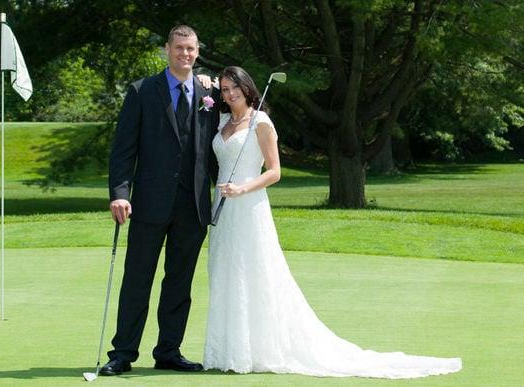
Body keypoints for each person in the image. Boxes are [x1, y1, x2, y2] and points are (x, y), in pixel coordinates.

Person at [203, 66, 462, 378]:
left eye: (235, 88)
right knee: (225, 273)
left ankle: (251, 352)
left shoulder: (261, 122)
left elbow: (275, 171)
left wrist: (243, 188)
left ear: (247, 89)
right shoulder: (220, 121)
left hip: (248, 205)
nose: (230, 94)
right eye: (225, 89)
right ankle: (229, 350)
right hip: (222, 206)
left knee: (251, 274)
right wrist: (203, 82)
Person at [101, 25, 219, 376]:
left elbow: (238, 120)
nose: (186, 53)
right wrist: (120, 195)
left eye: (192, 48)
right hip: (149, 203)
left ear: (198, 52)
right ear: (167, 49)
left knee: (179, 283)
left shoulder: (208, 93)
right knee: (137, 279)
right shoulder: (142, 91)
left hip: (193, 206)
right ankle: (122, 353)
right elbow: (123, 151)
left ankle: (169, 350)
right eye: (180, 47)